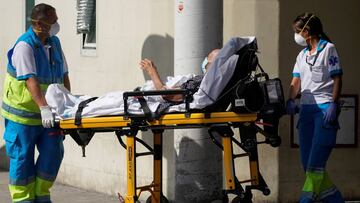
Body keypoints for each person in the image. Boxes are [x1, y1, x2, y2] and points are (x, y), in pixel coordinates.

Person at [1, 3, 70, 203]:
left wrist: (67, 106)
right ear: (39, 23)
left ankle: (41, 196)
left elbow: (64, 75)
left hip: (49, 116)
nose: (56, 24)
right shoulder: (24, 46)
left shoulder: (54, 42)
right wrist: (44, 108)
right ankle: (23, 199)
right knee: (22, 160)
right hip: (23, 116)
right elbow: (31, 81)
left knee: (53, 154)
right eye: (53, 21)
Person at [286, 13, 344, 203]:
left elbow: (337, 78)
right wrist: (290, 100)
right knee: (308, 166)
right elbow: (296, 81)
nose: (296, 35)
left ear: (307, 31)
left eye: (298, 31)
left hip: (324, 111)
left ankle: (306, 200)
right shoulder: (301, 55)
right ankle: (335, 200)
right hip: (306, 112)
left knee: (314, 167)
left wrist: (334, 104)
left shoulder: (329, 49)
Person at [139, 49, 220, 103]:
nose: (205, 60)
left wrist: (152, 72)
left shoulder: (201, 82)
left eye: (208, 58)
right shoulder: (208, 83)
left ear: (212, 66)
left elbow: (166, 95)